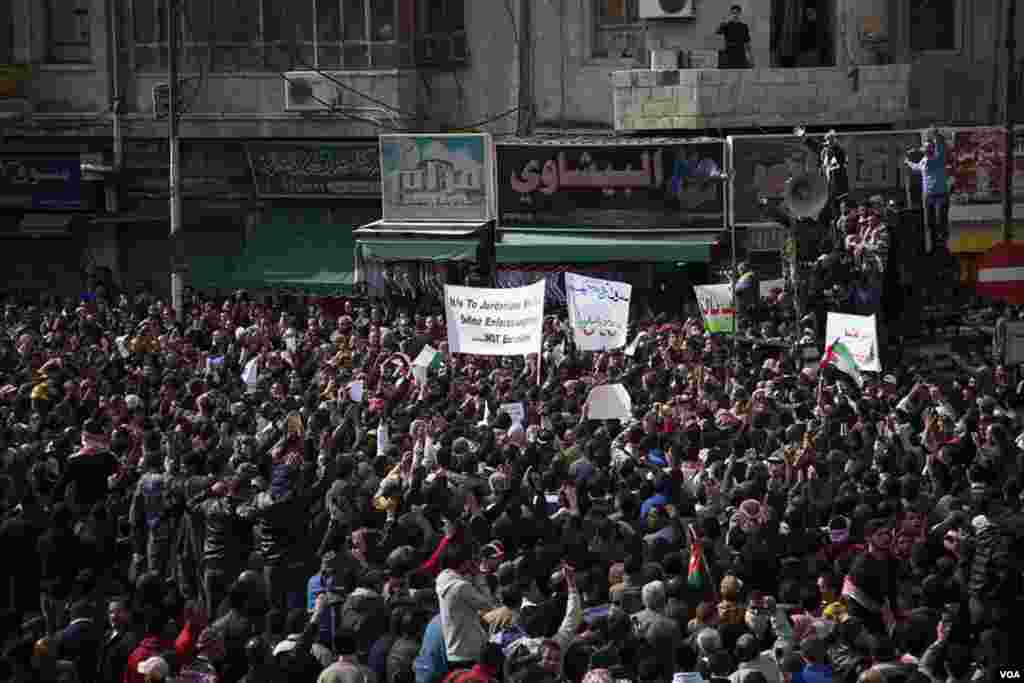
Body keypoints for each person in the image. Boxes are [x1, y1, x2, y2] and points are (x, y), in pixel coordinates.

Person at [905, 126, 949, 254]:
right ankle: (932, 247)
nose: (926, 148)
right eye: (925, 147)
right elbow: (916, 168)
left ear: (932, 148)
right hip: (928, 196)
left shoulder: (938, 158)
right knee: (929, 222)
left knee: (941, 221)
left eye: (928, 146)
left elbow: (940, 145)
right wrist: (908, 162)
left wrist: (936, 135)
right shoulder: (924, 161)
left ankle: (942, 245)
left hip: (941, 194)